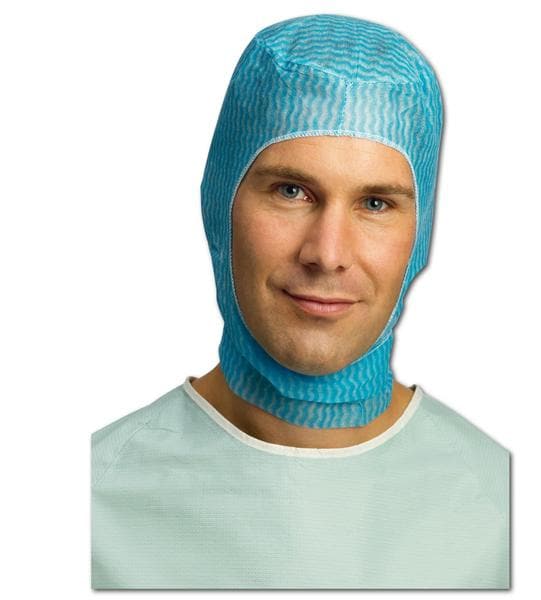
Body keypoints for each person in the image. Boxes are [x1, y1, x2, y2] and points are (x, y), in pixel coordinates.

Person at [91, 13, 510, 590]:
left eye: (376, 204)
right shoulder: (87, 505)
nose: (328, 254)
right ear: (221, 204)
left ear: (420, 233)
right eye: (292, 191)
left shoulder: (504, 508)